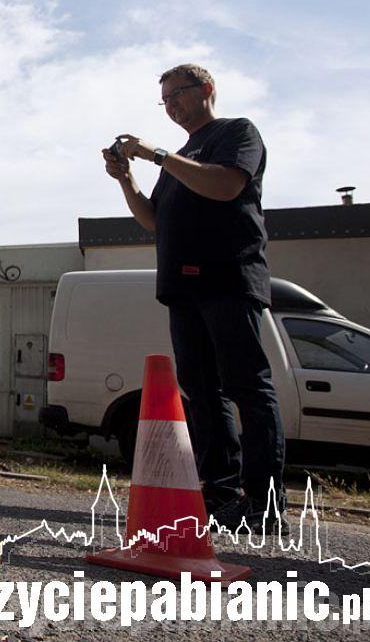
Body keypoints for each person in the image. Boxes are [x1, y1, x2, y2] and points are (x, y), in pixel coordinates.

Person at [104, 62, 285, 528]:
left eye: (177, 94)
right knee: (203, 394)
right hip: (183, 288)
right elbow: (155, 221)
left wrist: (157, 154)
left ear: (206, 89)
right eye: (163, 100)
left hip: (228, 278)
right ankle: (222, 494)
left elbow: (225, 186)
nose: (171, 105)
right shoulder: (180, 159)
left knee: (247, 388)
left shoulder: (236, 133)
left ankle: (265, 505)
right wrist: (127, 178)